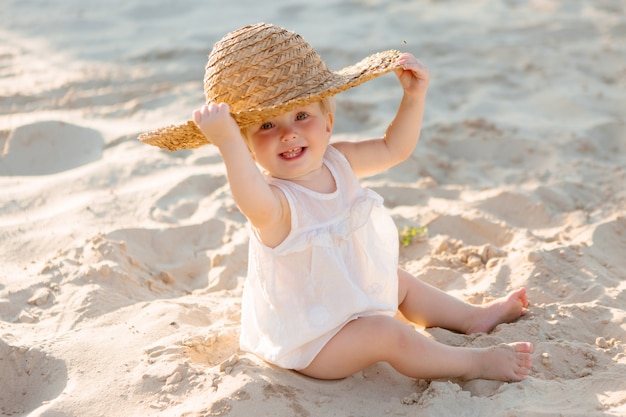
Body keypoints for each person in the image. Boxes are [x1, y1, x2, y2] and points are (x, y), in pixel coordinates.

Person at [140, 23, 533, 382]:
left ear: (328, 122)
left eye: (301, 115)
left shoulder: (338, 160)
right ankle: (474, 364)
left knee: (399, 283)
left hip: (351, 298)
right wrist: (226, 142)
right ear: (247, 148)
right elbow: (248, 198)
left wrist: (414, 97)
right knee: (388, 334)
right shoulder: (276, 205)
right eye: (266, 125)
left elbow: (394, 147)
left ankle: (473, 318)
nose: (288, 134)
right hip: (313, 341)